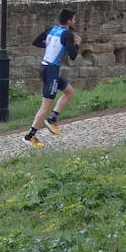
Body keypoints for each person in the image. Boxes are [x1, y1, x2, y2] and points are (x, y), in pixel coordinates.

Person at [23, 8, 80, 149]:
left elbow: (36, 42)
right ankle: (30, 136)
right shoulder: (68, 35)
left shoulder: (52, 29)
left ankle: (53, 119)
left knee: (69, 91)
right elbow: (73, 56)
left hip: (44, 67)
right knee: (46, 106)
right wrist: (77, 43)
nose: (75, 21)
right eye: (74, 19)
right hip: (51, 71)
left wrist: (49, 45)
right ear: (69, 21)